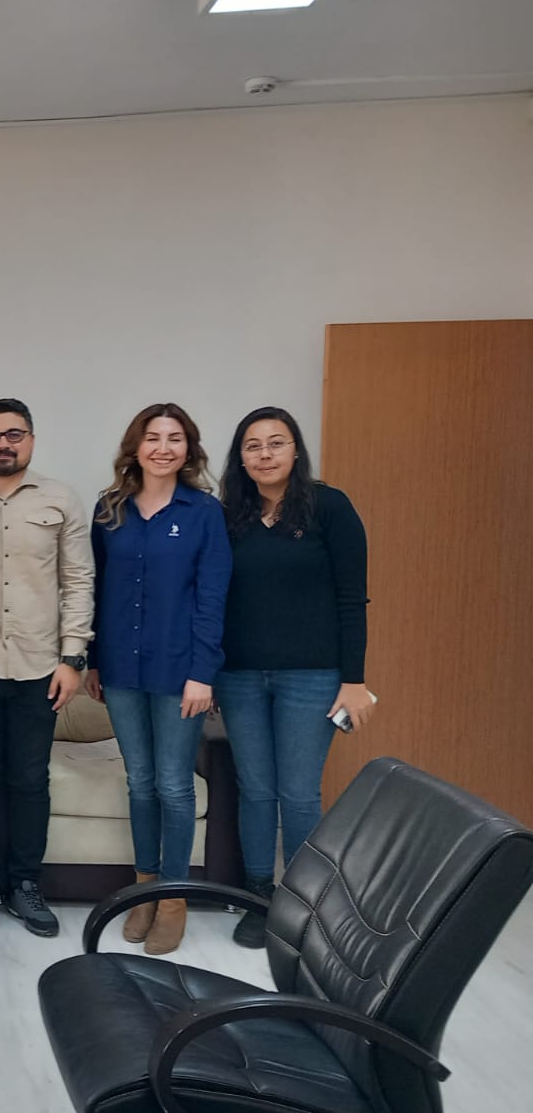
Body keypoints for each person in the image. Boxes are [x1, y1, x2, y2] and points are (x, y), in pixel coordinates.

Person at [215, 405, 373, 947]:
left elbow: (352, 599)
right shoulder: (228, 516)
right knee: (256, 790)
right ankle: (259, 896)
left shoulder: (330, 507)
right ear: (240, 457)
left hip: (312, 677)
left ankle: (302, 905)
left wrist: (353, 680)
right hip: (239, 676)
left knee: (299, 793)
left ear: (296, 449)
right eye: (253, 445)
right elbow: (212, 599)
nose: (265, 454)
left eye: (276, 443)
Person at [0, 398, 94, 939]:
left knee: (29, 779)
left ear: (30, 439)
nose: (3, 444)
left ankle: (26, 883)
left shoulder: (61, 499)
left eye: (13, 434)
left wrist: (73, 657)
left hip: (40, 666)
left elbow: (78, 580)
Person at [85, 402, 230, 956]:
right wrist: (93, 661)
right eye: (153, 437)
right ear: (136, 446)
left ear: (188, 449)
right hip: (121, 666)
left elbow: (213, 598)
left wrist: (203, 673)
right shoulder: (110, 509)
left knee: (173, 784)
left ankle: (173, 900)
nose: (163, 448)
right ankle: (143, 893)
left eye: (174, 438)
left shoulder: (204, 512)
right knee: (140, 781)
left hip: (179, 671)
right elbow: (97, 588)